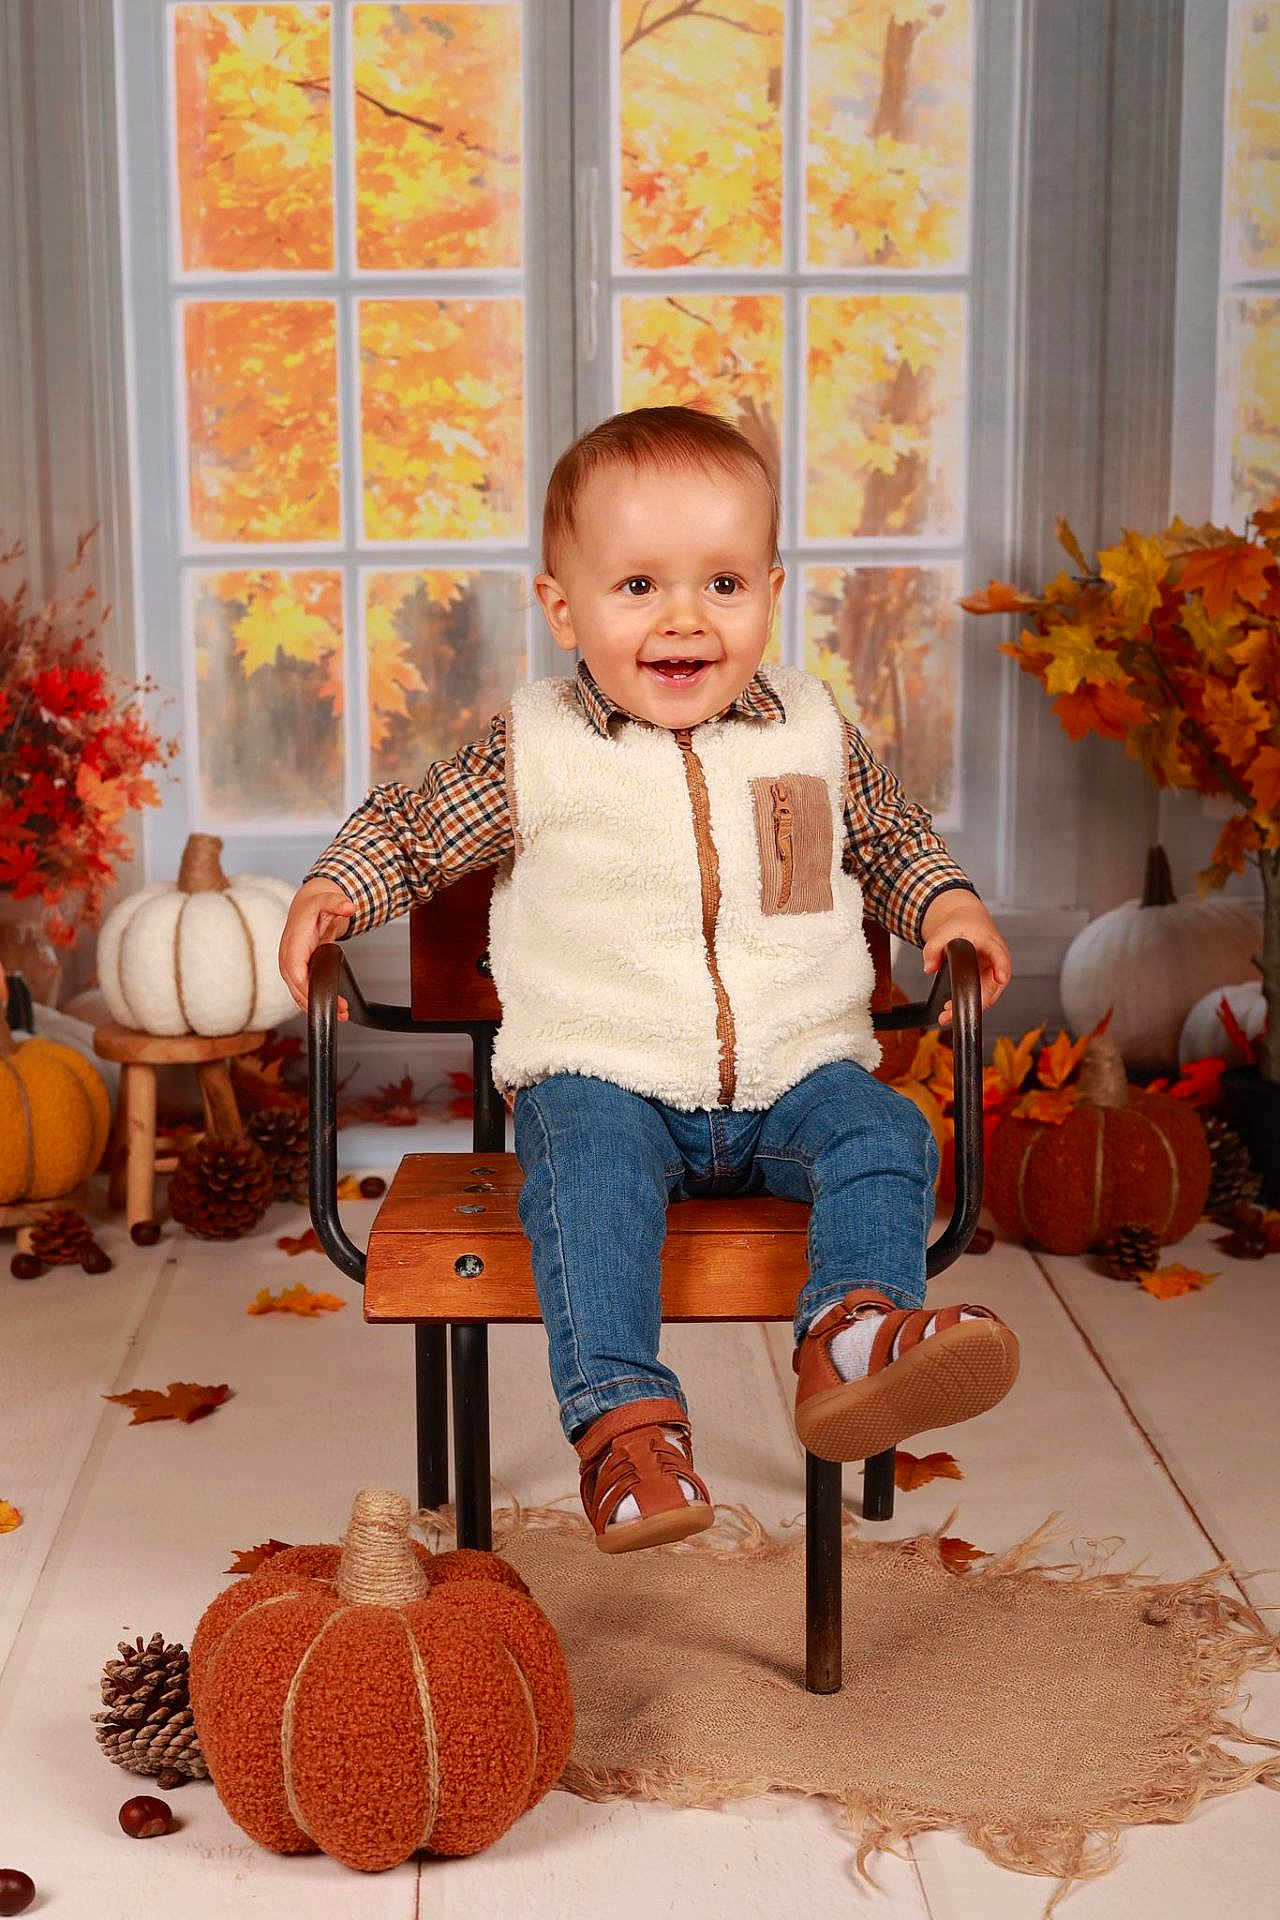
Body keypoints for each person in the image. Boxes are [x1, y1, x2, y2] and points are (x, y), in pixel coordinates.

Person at [279, 405, 1019, 1556]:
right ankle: (624, 1426)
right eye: (637, 587)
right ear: (561, 607)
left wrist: (945, 904)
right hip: (603, 1078)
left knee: (884, 1131)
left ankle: (851, 1336)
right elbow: (413, 833)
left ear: (771, 591)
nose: (684, 618)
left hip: (795, 1073)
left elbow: (887, 840)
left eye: (722, 584)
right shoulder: (536, 748)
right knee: (586, 1179)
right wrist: (337, 888)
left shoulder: (808, 731)